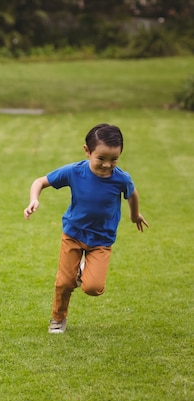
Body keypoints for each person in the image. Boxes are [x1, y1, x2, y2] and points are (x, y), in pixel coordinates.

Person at [23, 123, 148, 334]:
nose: (107, 165)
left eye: (114, 159)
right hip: (73, 234)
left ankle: (82, 269)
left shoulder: (121, 179)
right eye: (101, 158)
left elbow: (132, 194)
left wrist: (134, 215)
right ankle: (58, 318)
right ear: (87, 151)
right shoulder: (74, 172)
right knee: (64, 282)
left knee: (93, 288)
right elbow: (40, 182)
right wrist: (33, 200)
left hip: (101, 240)